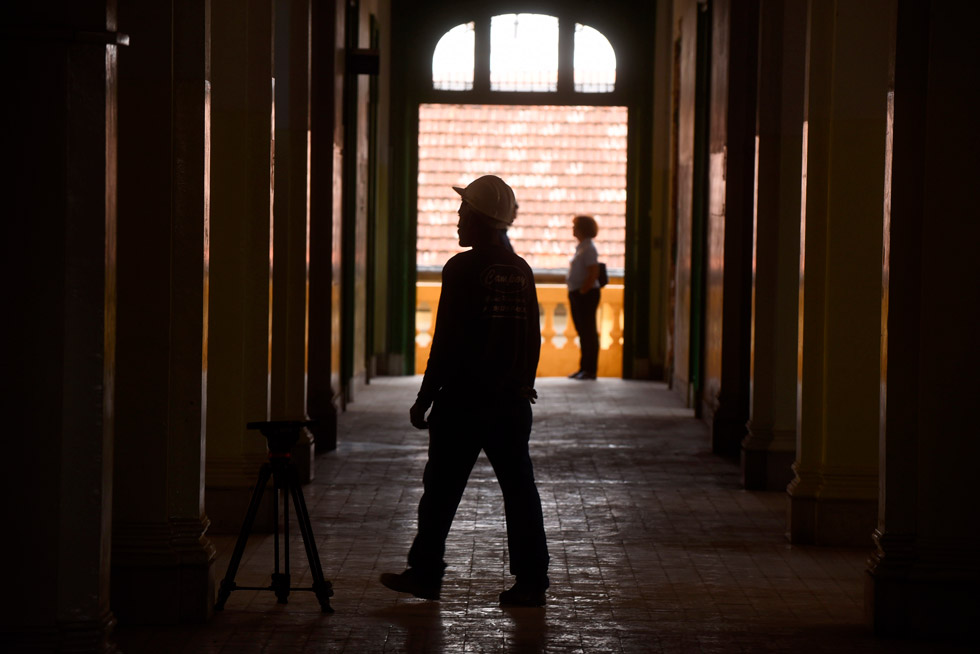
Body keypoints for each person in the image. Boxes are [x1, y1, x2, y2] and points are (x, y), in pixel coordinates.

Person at [380, 175, 551, 607]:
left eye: (463, 214)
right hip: (510, 403)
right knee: (520, 491)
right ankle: (532, 581)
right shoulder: (522, 270)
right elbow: (533, 337)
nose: (457, 222)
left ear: (480, 220)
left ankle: (425, 574)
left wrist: (425, 396)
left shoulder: (461, 269)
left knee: (440, 491)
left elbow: (447, 340)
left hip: (463, 402)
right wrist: (521, 385)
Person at [566, 215, 601, 380]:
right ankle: (583, 367)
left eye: (575, 226)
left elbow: (594, 272)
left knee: (588, 332)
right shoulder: (582, 247)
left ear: (582, 229)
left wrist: (583, 291)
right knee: (583, 332)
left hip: (585, 295)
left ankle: (590, 369)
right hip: (579, 293)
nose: (573, 229)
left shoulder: (588, 248)